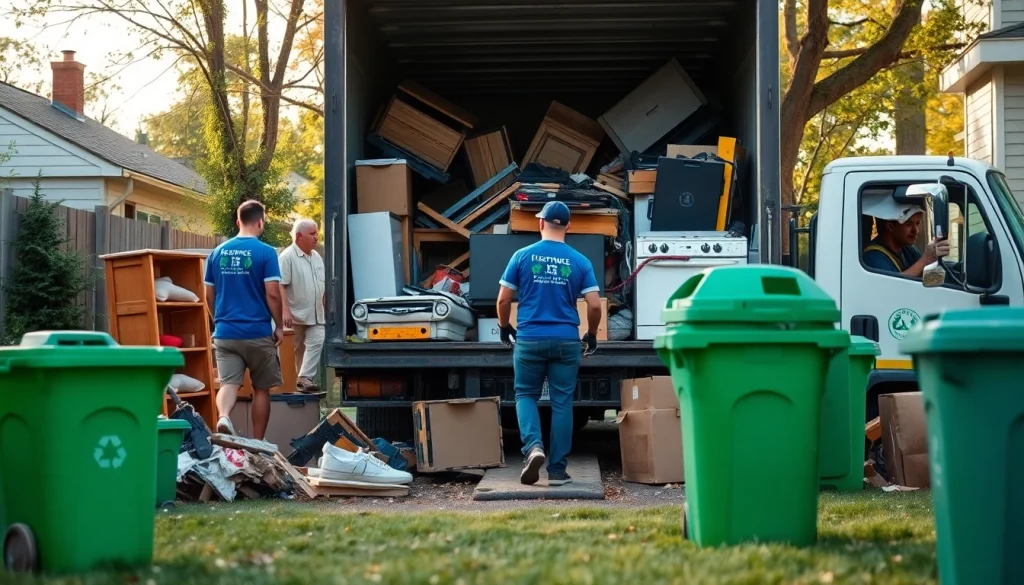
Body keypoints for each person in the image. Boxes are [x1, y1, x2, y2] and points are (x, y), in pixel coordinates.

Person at [496, 201, 602, 487]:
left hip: (529, 338)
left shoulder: (521, 256)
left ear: (540, 223)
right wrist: (591, 333)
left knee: (525, 395)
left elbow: (504, 299)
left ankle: (533, 448)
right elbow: (594, 304)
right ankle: (557, 471)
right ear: (568, 226)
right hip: (567, 340)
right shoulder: (580, 261)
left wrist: (505, 326)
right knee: (562, 403)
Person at [204, 200, 285, 440]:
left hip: (226, 333)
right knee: (261, 389)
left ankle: (224, 417)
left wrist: (217, 321)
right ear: (260, 222)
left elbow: (209, 294)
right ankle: (257, 443)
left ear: (238, 222)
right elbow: (272, 293)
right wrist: (279, 325)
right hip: (258, 332)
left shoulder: (216, 253)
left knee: (229, 383)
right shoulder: (266, 253)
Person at [279, 218, 326, 393]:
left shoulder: (316, 257)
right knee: (292, 352)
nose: (316, 237)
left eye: (316, 233)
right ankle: (290, 386)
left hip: (316, 314)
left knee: (318, 339)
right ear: (299, 236)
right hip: (294, 315)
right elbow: (280, 285)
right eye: (312, 234)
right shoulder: (287, 257)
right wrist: (285, 311)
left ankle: (304, 377)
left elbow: (322, 284)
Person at [862, 196, 950, 278]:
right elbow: (895, 287)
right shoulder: (873, 257)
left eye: (917, 223)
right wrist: (926, 259)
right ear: (890, 227)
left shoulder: (907, 249)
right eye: (909, 224)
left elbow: (926, 272)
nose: (916, 230)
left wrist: (935, 256)